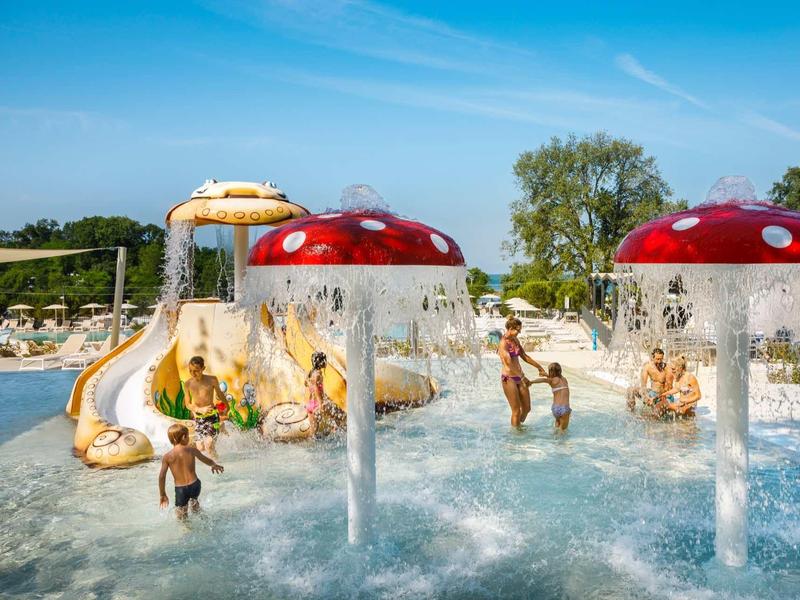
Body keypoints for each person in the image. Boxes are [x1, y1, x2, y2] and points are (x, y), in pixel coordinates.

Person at [158, 424, 224, 519]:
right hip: (195, 484)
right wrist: (214, 465)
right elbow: (205, 459)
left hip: (181, 489)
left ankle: (187, 530)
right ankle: (204, 519)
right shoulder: (192, 450)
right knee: (195, 505)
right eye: (188, 436)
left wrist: (162, 494)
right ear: (184, 437)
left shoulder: (167, 456)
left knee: (181, 515)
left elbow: (161, 476)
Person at [498, 316, 546, 427]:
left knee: (527, 408)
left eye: (519, 330)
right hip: (508, 378)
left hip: (519, 377)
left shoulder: (515, 340)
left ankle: (518, 427)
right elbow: (509, 364)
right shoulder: (503, 344)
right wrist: (523, 377)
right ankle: (516, 435)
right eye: (517, 330)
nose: (518, 333)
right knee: (516, 411)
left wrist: (539, 367)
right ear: (510, 328)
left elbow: (524, 356)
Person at [184, 355, 228, 456]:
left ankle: (217, 465)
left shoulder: (212, 380)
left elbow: (220, 394)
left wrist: (227, 406)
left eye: (196, 370)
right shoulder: (188, 384)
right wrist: (199, 409)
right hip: (199, 418)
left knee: (208, 445)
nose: (193, 373)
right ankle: (220, 426)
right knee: (200, 447)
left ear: (203, 369)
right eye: (190, 370)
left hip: (212, 416)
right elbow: (187, 404)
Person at [305, 351, 345, 435]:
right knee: (341, 416)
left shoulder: (311, 373)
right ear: (321, 362)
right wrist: (320, 403)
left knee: (313, 434)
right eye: (324, 360)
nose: (326, 362)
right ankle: (336, 434)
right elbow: (316, 388)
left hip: (310, 405)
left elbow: (306, 383)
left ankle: (312, 446)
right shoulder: (318, 374)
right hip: (318, 404)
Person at [528, 362, 571, 431]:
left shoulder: (552, 381)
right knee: (562, 430)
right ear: (560, 370)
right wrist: (545, 374)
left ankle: (554, 440)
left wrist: (531, 382)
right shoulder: (564, 379)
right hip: (564, 408)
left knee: (557, 425)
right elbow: (556, 376)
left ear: (550, 372)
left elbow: (543, 380)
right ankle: (560, 441)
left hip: (555, 408)